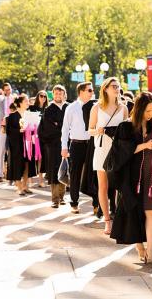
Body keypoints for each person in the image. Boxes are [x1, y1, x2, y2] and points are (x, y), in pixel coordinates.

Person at [109, 92, 152, 264]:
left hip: (151, 177)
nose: (151, 114)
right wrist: (144, 145)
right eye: (148, 111)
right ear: (140, 108)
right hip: (132, 178)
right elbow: (120, 153)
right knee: (133, 212)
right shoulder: (126, 126)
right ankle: (139, 245)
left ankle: (151, 250)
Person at [88, 77, 129, 234]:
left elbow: (127, 131)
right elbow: (89, 130)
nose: (116, 88)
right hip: (102, 148)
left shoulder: (123, 108)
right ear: (105, 89)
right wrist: (97, 130)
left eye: (118, 86)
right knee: (103, 186)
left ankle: (120, 218)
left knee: (121, 185)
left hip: (119, 150)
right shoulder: (96, 108)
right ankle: (107, 220)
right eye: (113, 86)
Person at [61, 82, 94, 214]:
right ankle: (74, 202)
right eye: (89, 90)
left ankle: (96, 204)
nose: (92, 92)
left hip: (91, 144)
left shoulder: (95, 107)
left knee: (93, 174)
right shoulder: (71, 108)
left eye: (92, 90)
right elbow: (64, 129)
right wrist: (64, 147)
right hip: (76, 145)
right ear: (81, 92)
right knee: (75, 175)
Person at [39, 85, 69, 208]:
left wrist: (58, 124)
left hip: (66, 143)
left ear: (64, 94)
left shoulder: (68, 107)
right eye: (56, 93)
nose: (58, 96)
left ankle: (62, 197)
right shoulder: (49, 109)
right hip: (53, 144)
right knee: (54, 170)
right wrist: (61, 127)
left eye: (60, 93)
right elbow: (47, 128)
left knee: (65, 169)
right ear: (53, 94)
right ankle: (55, 199)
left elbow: (70, 125)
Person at [6, 95, 32, 195]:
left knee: (27, 165)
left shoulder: (29, 115)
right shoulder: (12, 116)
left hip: (28, 143)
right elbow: (8, 131)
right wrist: (18, 131)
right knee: (17, 165)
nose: (28, 102)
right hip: (17, 144)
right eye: (26, 101)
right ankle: (19, 186)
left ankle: (25, 186)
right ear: (20, 103)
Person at [0, 83, 14, 182]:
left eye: (9, 89)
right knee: (1, 150)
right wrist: (0, 97)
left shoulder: (14, 98)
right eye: (6, 90)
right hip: (1, 127)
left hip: (13, 127)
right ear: (3, 90)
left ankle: (10, 173)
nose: (8, 91)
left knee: (12, 150)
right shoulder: (0, 98)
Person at [30, 90, 49, 187]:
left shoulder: (48, 109)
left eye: (45, 96)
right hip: (33, 136)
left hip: (44, 136)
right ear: (38, 97)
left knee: (42, 157)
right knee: (33, 157)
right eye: (41, 96)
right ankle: (30, 177)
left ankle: (41, 179)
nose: (43, 98)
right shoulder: (32, 108)